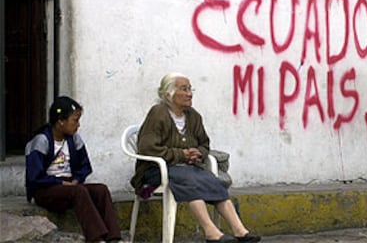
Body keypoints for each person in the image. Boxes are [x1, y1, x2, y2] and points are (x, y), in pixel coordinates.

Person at [130, 73, 261, 243]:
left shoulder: (193, 116)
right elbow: (147, 148)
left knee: (212, 180)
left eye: (190, 89)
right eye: (184, 89)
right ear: (169, 94)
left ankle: (240, 230)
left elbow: (204, 143)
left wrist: (198, 153)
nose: (189, 93)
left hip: (186, 169)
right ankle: (211, 232)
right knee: (189, 180)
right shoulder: (158, 113)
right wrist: (180, 154)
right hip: (156, 170)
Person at [25, 96, 121, 242]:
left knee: (101, 189)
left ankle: (114, 238)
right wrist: (60, 183)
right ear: (60, 121)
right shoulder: (42, 141)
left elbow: (84, 166)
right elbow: (34, 177)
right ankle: (95, 238)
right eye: (75, 120)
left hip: (69, 187)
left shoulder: (74, 139)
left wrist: (76, 179)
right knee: (79, 191)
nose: (78, 125)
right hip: (46, 190)